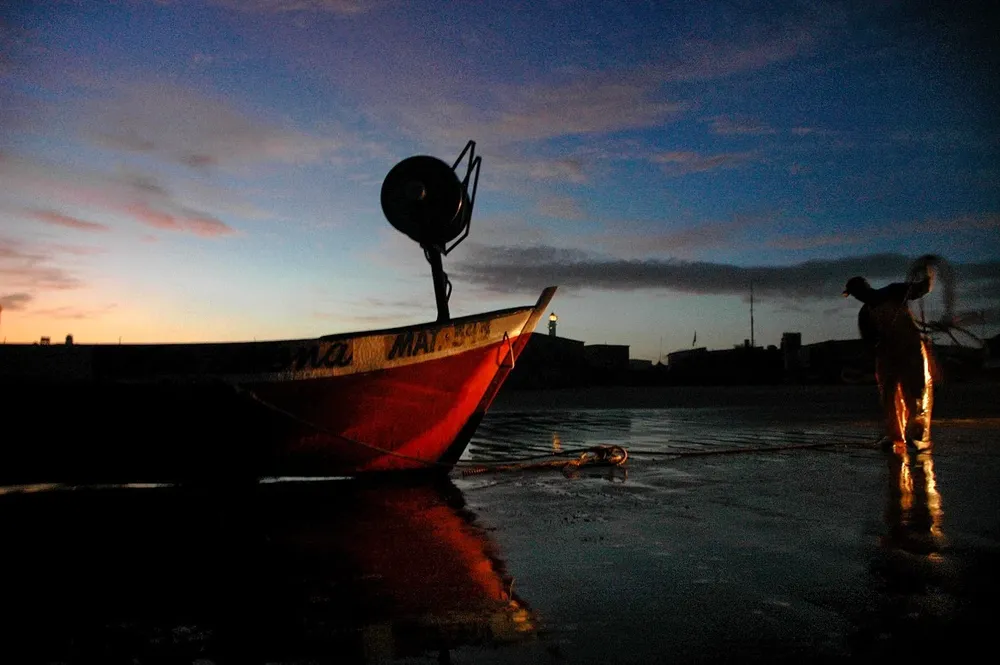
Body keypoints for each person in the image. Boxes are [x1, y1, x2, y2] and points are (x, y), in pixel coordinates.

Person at [842, 257, 938, 450]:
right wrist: (874, 351)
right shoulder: (865, 314)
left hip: (910, 350)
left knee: (915, 392)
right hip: (886, 356)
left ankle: (917, 435)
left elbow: (921, 289)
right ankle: (895, 436)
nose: (857, 297)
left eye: (856, 293)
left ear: (864, 288)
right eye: (854, 295)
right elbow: (869, 342)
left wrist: (927, 273)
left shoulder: (894, 291)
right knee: (888, 395)